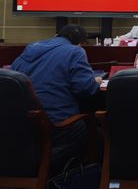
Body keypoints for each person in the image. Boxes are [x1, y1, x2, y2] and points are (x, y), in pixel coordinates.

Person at [11, 25, 102, 172]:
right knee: (95, 132)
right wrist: (95, 81)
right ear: (80, 43)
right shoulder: (75, 51)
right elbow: (85, 89)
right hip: (55, 125)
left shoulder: (29, 50)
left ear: (56, 36)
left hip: (22, 124)